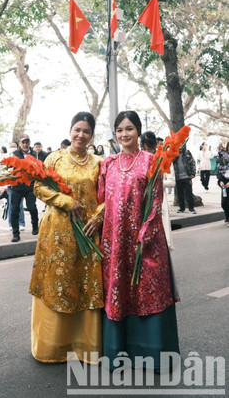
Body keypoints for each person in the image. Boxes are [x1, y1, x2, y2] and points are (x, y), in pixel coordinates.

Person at [98, 110, 180, 371]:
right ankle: (118, 351)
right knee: (119, 288)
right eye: (120, 130)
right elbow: (102, 202)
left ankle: (151, 353)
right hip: (115, 242)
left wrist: (145, 234)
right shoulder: (108, 164)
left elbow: (155, 202)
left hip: (145, 239)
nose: (124, 134)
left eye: (129, 129)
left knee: (147, 290)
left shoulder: (151, 161)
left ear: (138, 131)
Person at [29, 112, 104, 364]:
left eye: (86, 131)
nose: (81, 135)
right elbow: (39, 187)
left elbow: (109, 195)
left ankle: (85, 347)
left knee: (85, 284)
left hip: (87, 232)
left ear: (92, 135)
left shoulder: (99, 163)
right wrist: (66, 201)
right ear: (70, 131)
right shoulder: (54, 158)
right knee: (57, 282)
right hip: (57, 231)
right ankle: (53, 347)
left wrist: (98, 217)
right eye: (77, 129)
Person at [141, 131, 173, 250]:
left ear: (155, 145)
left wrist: (155, 183)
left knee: (161, 237)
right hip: (145, 201)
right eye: (144, 149)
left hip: (160, 201)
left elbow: (172, 182)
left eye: (149, 149)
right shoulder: (140, 161)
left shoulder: (163, 159)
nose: (147, 152)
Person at [10, 134, 39, 242]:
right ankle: (15, 233)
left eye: (27, 142)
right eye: (23, 142)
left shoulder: (34, 154)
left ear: (29, 143)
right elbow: (10, 168)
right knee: (14, 210)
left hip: (30, 186)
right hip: (17, 186)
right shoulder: (14, 154)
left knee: (32, 208)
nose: (25, 144)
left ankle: (35, 225)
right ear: (20, 144)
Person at [173, 143, 197, 214]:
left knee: (189, 193)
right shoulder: (174, 154)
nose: (180, 146)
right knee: (180, 194)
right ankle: (181, 208)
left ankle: (191, 208)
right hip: (178, 177)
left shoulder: (187, 153)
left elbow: (192, 162)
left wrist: (193, 173)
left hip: (187, 177)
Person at [217, 141, 229, 226]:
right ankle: (227, 217)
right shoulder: (223, 158)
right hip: (225, 183)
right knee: (224, 203)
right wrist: (220, 181)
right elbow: (220, 171)